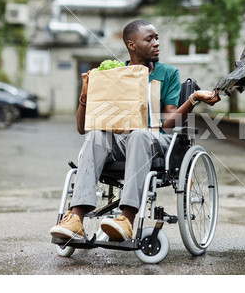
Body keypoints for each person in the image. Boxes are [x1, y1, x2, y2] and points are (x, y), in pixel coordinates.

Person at [50, 19, 220, 241]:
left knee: (139, 134)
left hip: (157, 140)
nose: (157, 43)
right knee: (97, 135)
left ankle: (127, 219)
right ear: (132, 45)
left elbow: (168, 122)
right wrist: (85, 96)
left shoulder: (167, 74)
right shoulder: (115, 74)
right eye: (149, 39)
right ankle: (75, 218)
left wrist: (193, 99)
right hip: (123, 141)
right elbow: (82, 128)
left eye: (157, 38)